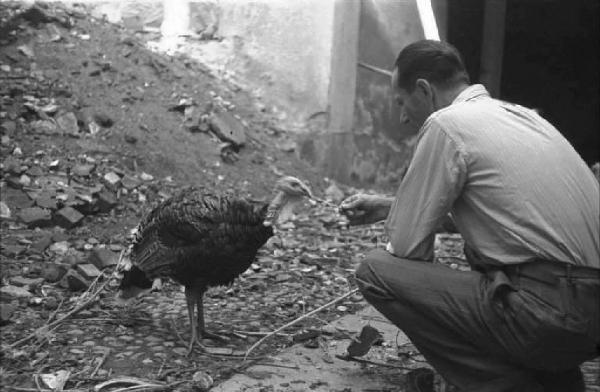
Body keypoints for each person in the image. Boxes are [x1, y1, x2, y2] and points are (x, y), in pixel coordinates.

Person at [339, 40, 599, 392]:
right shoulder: (523, 117)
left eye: (401, 103)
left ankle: (504, 386)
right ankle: (555, 381)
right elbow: (507, 217)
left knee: (376, 271)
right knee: (492, 264)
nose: (402, 117)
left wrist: (406, 218)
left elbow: (407, 249)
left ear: (424, 90)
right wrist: (390, 204)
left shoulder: (446, 124)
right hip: (585, 319)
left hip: (547, 315)